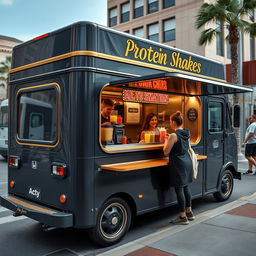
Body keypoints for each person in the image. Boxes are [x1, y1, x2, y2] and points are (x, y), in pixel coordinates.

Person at [163, 111, 194, 225]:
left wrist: (166, 140)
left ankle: (182, 217)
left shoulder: (173, 135)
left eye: (170, 121)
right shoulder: (186, 133)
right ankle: (189, 212)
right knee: (186, 187)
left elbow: (166, 152)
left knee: (179, 189)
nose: (170, 123)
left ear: (174, 122)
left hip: (178, 164)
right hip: (187, 162)